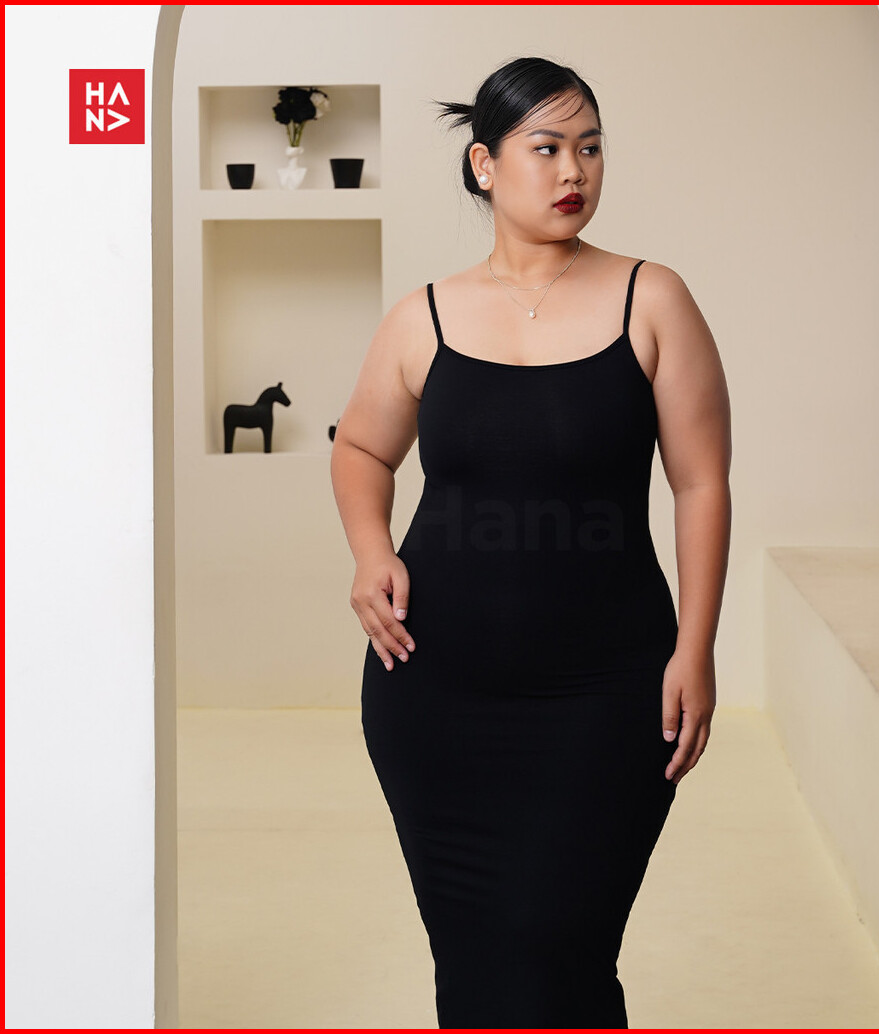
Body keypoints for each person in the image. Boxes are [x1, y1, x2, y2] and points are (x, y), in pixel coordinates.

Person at [330, 55, 732, 1029]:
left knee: (562, 949)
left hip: (608, 692)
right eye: (546, 148)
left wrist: (696, 647)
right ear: (484, 164)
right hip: (434, 690)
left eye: (590, 148)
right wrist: (371, 551)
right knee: (473, 962)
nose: (573, 171)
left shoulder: (652, 299)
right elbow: (361, 449)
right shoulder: (422, 316)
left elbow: (700, 482)